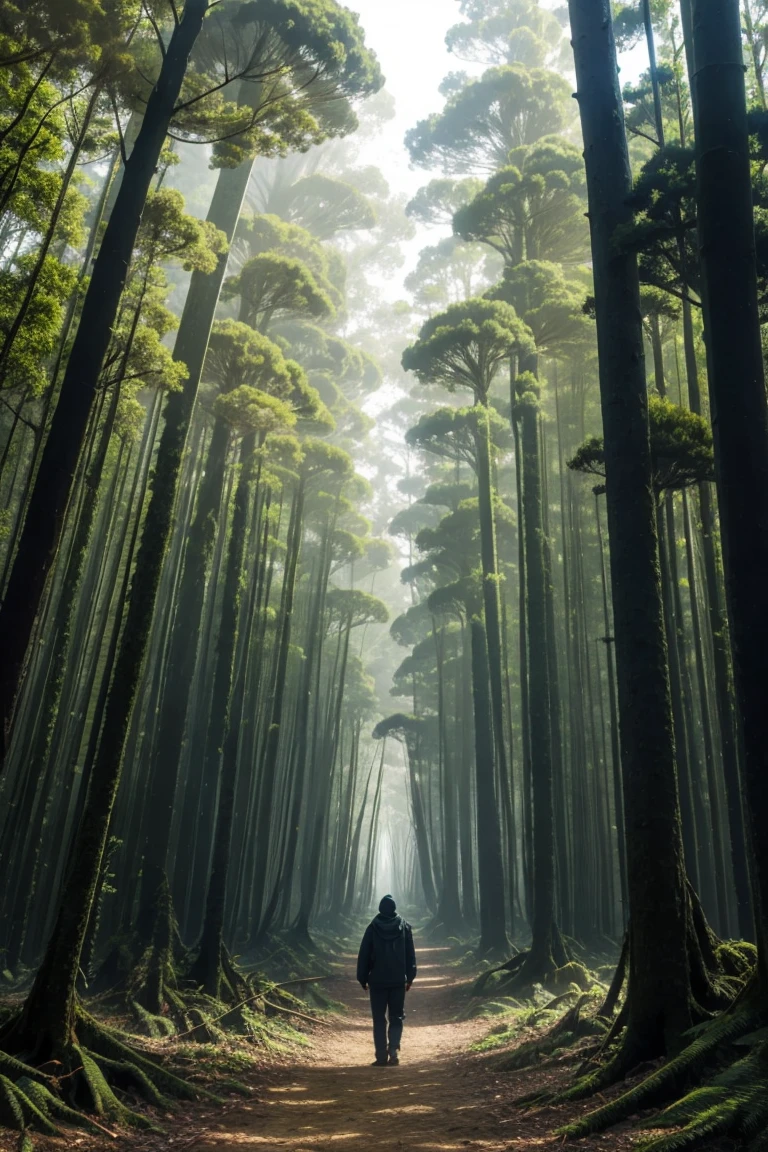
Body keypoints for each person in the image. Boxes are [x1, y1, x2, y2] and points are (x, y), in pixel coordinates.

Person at [356, 894, 417, 1066]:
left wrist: (362, 978)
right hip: (398, 981)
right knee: (396, 1017)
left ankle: (381, 1056)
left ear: (380, 909)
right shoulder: (404, 927)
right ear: (394, 908)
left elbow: (364, 955)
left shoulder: (372, 928)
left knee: (379, 1018)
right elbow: (410, 954)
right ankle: (394, 1053)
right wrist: (410, 977)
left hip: (377, 981)